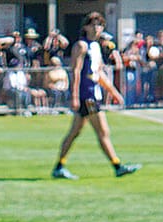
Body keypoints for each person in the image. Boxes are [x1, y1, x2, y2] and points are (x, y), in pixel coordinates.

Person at [53, 12, 139, 179]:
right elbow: (76, 71)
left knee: (75, 132)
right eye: (93, 24)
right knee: (103, 131)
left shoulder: (96, 46)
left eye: (99, 25)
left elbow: (99, 73)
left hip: (95, 92)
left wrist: (113, 91)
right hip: (88, 94)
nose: (97, 28)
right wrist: (75, 95)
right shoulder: (81, 46)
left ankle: (59, 166)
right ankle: (117, 165)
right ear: (85, 27)